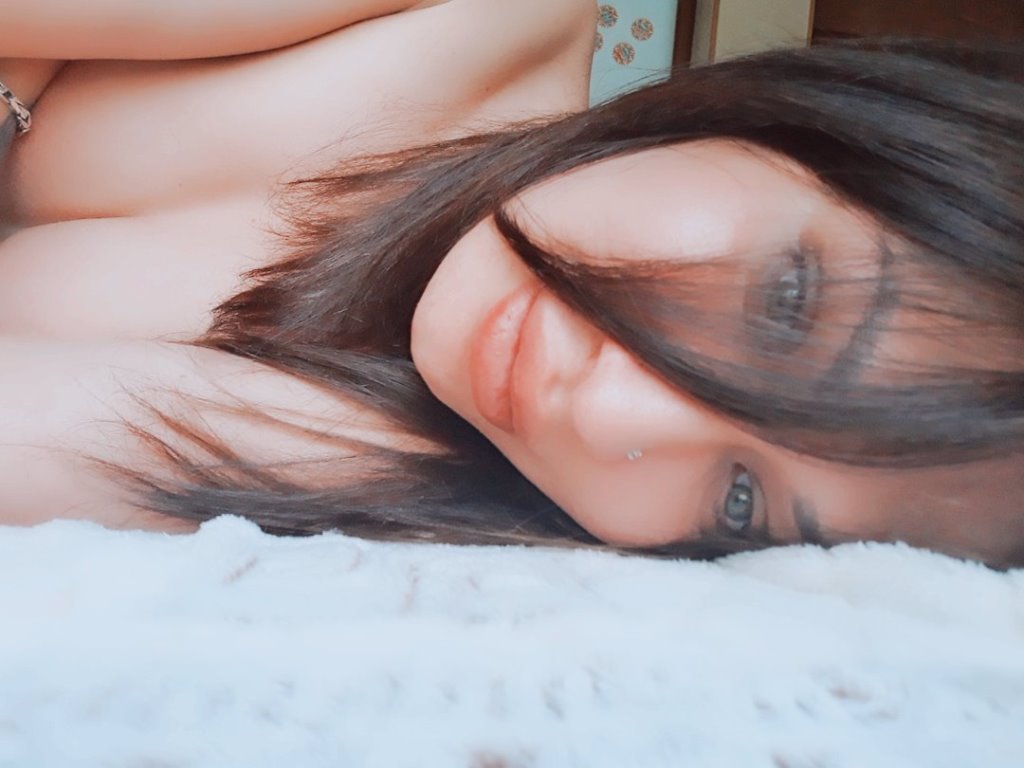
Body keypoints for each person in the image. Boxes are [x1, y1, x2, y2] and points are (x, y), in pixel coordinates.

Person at [1, 2, 1022, 568]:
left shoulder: (417, 470)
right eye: (785, 307)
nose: (611, 415)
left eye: (743, 501)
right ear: (810, 130)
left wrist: (384, 464)